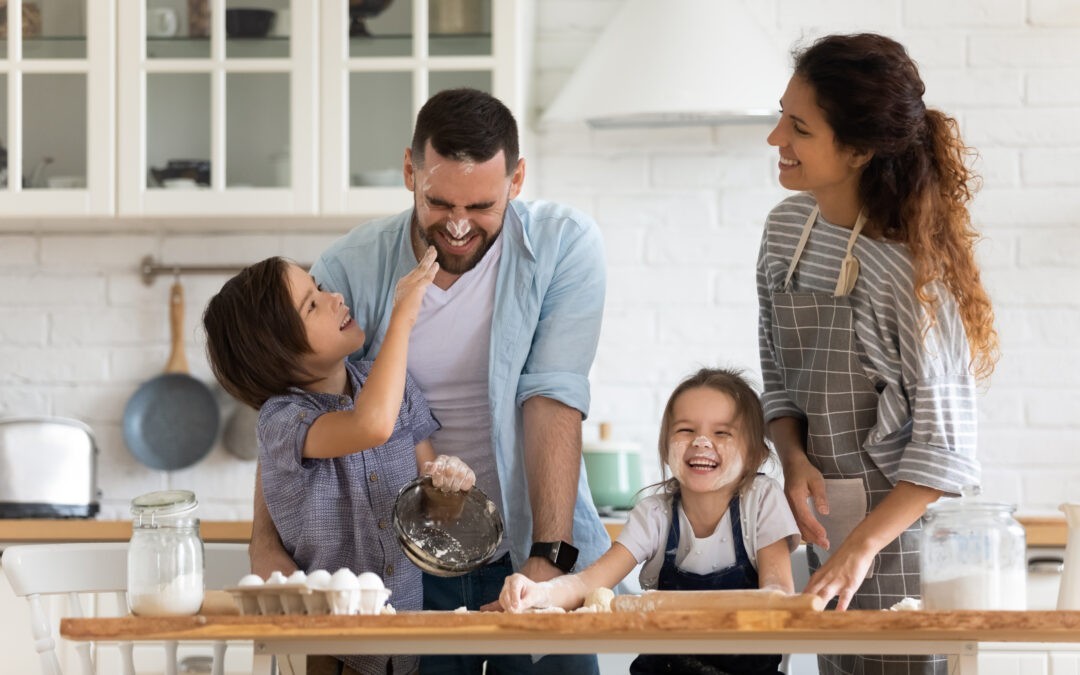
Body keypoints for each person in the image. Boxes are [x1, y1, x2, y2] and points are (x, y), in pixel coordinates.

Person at [248, 87, 609, 675]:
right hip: (405, 563)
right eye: (440, 202)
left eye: (483, 206)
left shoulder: (564, 246)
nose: (460, 227)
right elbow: (292, 407)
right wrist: (264, 542)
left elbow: (552, 399)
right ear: (410, 171)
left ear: (516, 181)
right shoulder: (350, 269)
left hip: (534, 543)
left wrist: (548, 557)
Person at [757, 33, 1000, 675]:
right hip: (826, 523)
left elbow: (944, 448)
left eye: (799, 127)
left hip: (902, 548)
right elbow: (777, 374)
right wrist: (792, 457)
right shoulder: (785, 232)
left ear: (860, 149)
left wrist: (859, 549)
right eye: (782, 114)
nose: (776, 137)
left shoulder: (908, 274)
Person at [203, 248, 477, 675]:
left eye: (320, 288)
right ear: (277, 352)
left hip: (406, 647)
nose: (334, 298)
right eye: (312, 304)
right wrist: (404, 315)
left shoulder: (396, 389)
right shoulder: (282, 421)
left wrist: (449, 486)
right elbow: (370, 426)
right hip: (328, 653)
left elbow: (428, 508)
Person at [501, 367, 800, 675]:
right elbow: (588, 582)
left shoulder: (762, 500)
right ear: (665, 446)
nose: (701, 441)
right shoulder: (656, 514)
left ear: (755, 455)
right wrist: (538, 593)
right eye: (686, 430)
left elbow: (777, 594)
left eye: (721, 433)